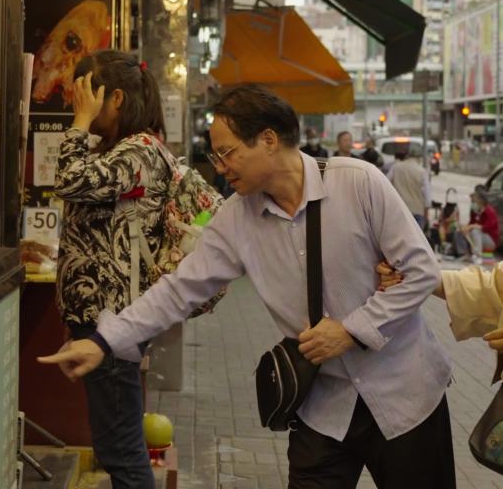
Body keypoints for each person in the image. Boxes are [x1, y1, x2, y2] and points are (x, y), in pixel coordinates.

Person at [39, 84, 456, 489]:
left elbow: (421, 271)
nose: (219, 166)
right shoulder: (236, 219)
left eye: (227, 153)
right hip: (323, 405)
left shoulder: (359, 182)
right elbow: (178, 290)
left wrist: (350, 330)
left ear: (269, 140)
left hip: (406, 397)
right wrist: (104, 340)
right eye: (215, 155)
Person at [52, 50, 171, 489]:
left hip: (114, 324)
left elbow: (68, 179)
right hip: (101, 321)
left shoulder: (139, 153)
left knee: (121, 450)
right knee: (114, 444)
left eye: (86, 94)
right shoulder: (122, 151)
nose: (75, 103)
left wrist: (79, 125)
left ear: (115, 98)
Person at [387, 146, 430, 231]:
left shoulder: (396, 167)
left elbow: (385, 183)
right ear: (419, 158)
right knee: (416, 240)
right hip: (417, 211)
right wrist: (426, 211)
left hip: (399, 210)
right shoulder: (422, 171)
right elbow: (427, 195)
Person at [454, 188, 500, 261]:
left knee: (475, 231)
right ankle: (464, 253)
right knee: (460, 232)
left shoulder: (490, 212)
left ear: (481, 201)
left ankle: (478, 255)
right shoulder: (474, 211)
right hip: (478, 237)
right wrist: (465, 228)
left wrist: (473, 226)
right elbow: (470, 224)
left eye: (474, 200)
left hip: (490, 240)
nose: (473, 202)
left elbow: (486, 228)